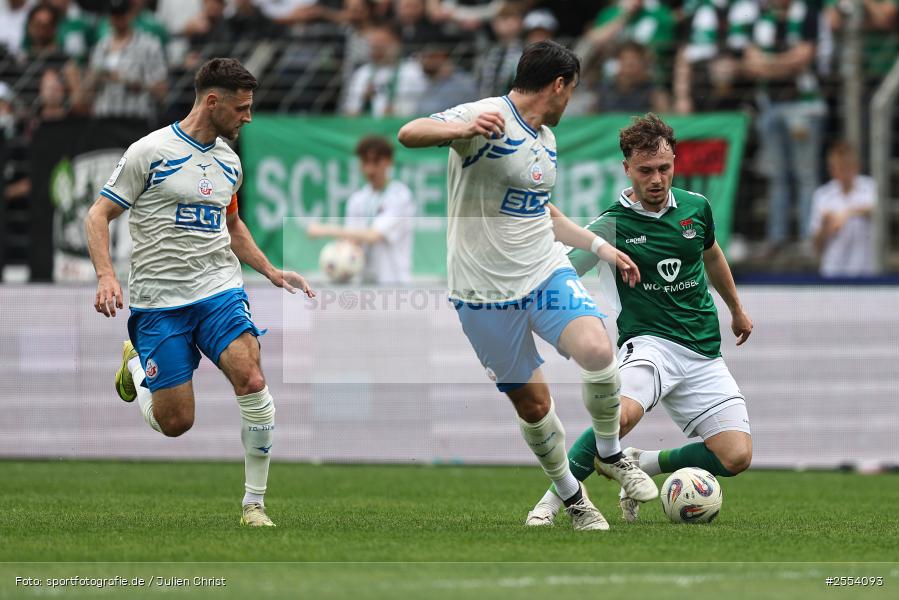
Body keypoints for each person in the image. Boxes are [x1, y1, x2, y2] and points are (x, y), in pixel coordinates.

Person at [398, 40, 658, 532]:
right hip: (482, 290)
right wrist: (461, 128)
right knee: (534, 405)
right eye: (571, 92)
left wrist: (600, 247)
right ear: (558, 85)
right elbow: (409, 132)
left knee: (599, 349)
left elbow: (540, 212)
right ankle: (573, 498)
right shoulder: (488, 114)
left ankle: (609, 452)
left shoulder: (546, 138)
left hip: (542, 271)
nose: (570, 103)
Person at [84, 58, 315, 527]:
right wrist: (107, 276)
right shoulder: (149, 152)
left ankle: (255, 504)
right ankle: (136, 363)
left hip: (218, 290)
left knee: (251, 378)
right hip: (158, 303)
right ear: (213, 101)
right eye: (242, 108)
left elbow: (230, 225)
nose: (248, 117)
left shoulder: (230, 161)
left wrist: (270, 270)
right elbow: (97, 216)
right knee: (176, 423)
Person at [525, 113, 754, 526]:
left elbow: (712, 253)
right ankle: (553, 501)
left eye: (664, 168)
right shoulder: (611, 225)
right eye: (645, 170)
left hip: (703, 352)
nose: (656, 179)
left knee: (736, 456)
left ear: (674, 164)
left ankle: (641, 463)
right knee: (620, 416)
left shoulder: (696, 208)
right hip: (649, 345)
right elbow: (563, 269)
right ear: (626, 169)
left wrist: (736, 309)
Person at [307, 135, 415, 285]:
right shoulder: (357, 199)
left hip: (394, 284)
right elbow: (353, 240)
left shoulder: (400, 196)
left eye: (376, 162)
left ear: (389, 161)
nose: (370, 169)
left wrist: (325, 229)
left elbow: (373, 236)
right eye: (365, 162)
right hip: (365, 286)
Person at [810, 141, 878, 278]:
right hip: (832, 273)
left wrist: (847, 213)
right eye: (836, 167)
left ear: (856, 166)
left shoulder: (870, 187)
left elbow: (878, 211)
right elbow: (816, 247)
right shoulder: (822, 195)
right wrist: (825, 228)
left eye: (845, 167)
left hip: (865, 274)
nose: (840, 172)